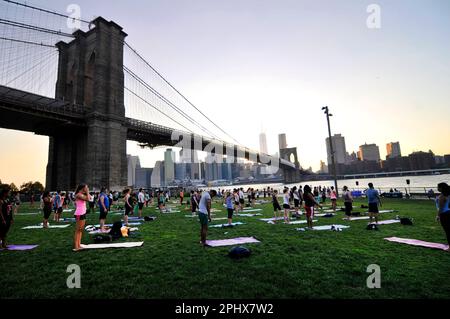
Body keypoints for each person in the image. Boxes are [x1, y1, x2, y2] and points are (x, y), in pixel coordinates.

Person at [73, 184, 91, 252]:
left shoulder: (81, 194)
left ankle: (79, 244)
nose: (87, 188)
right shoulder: (78, 194)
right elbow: (88, 199)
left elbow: (89, 198)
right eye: (86, 187)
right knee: (78, 230)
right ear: (83, 188)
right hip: (79, 213)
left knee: (80, 230)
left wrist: (87, 192)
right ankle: (76, 246)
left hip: (82, 213)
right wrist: (87, 192)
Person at [435, 183, 450, 251]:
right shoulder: (448, 195)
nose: (437, 188)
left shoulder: (442, 197)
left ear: (441, 188)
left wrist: (438, 216)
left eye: (438, 187)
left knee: (447, 231)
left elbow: (441, 208)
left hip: (444, 215)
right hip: (448, 212)